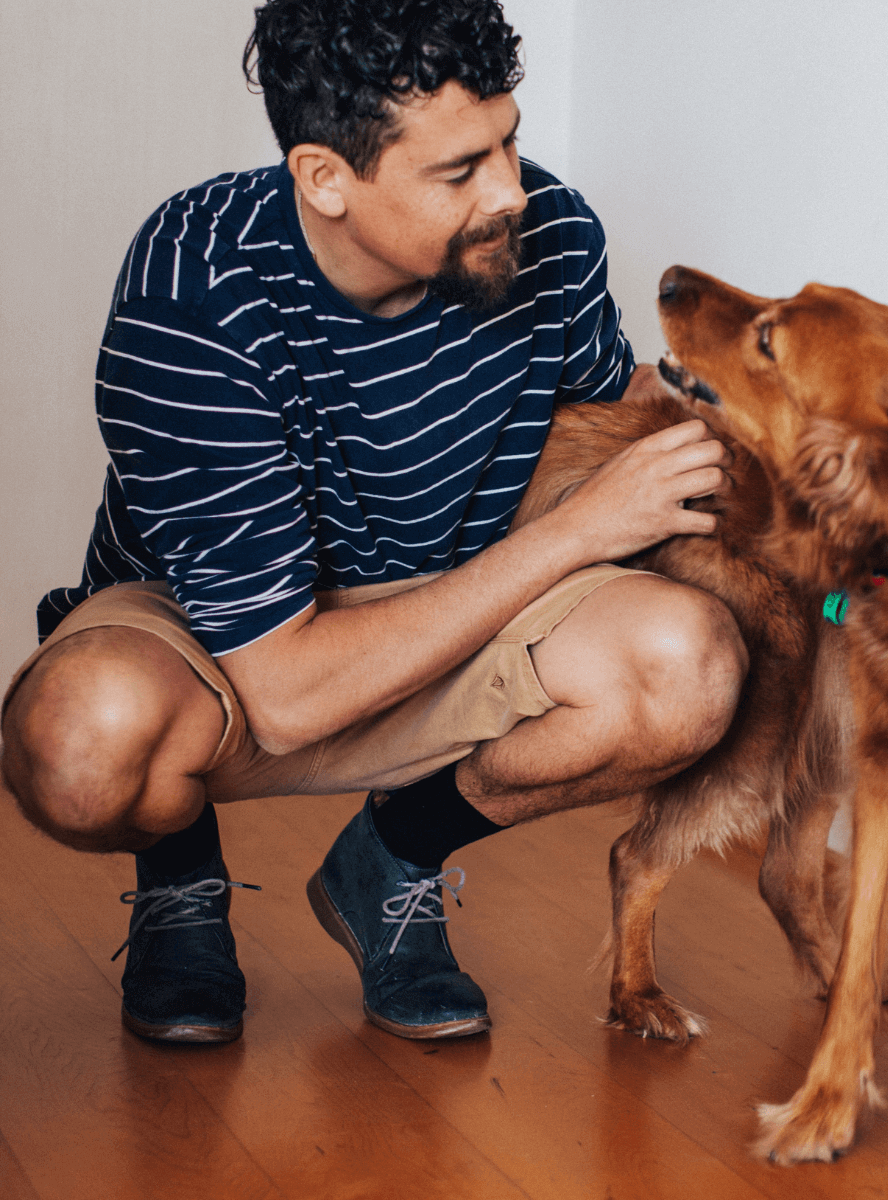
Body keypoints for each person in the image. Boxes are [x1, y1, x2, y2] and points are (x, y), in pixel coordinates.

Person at [0, 0, 744, 1045]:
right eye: (460, 171)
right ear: (325, 178)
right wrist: (575, 537)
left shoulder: (552, 236)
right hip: (230, 643)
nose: (510, 194)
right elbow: (291, 696)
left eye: (510, 143)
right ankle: (178, 872)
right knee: (79, 746)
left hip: (451, 599)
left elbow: (615, 412)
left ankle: (391, 857)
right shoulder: (194, 286)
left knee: (693, 664)